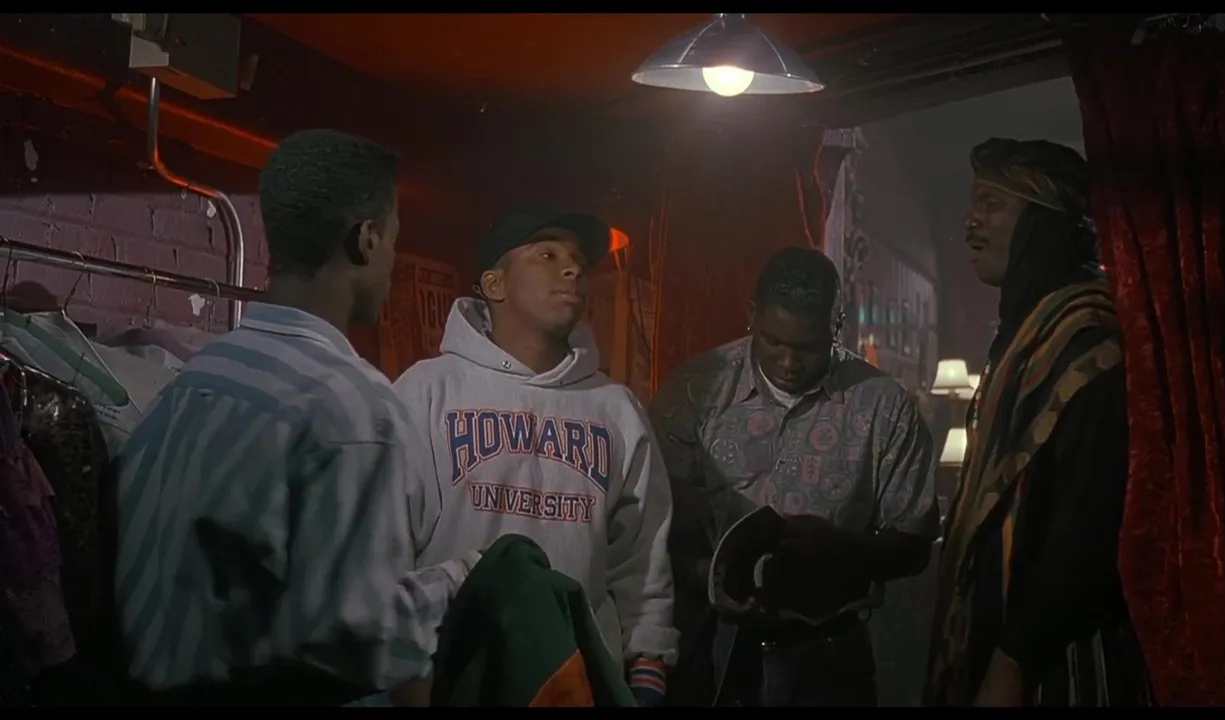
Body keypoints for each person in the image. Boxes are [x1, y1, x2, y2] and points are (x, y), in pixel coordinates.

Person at [112, 130, 475, 705]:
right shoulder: (356, 410)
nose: (392, 261)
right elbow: (362, 643)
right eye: (393, 240)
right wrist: (461, 581)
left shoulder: (191, 383)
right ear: (366, 239)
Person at [392, 206, 679, 705]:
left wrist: (647, 672)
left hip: (577, 683)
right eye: (547, 255)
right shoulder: (428, 391)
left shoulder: (616, 409)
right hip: (453, 676)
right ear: (495, 284)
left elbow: (643, 555)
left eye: (577, 260)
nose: (572, 269)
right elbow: (388, 545)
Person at [650, 246, 939, 707]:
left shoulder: (884, 408)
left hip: (829, 660)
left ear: (836, 326)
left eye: (807, 348)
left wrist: (843, 550)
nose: (788, 362)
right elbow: (652, 521)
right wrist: (709, 575)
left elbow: (915, 543)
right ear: (751, 316)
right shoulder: (694, 391)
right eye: (772, 341)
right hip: (707, 649)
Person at [923, 138, 1151, 707]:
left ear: (1042, 223)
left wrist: (1013, 661)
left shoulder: (1084, 343)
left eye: (993, 204)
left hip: (1059, 659)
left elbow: (1088, 522)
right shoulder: (1028, 336)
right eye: (972, 204)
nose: (971, 221)